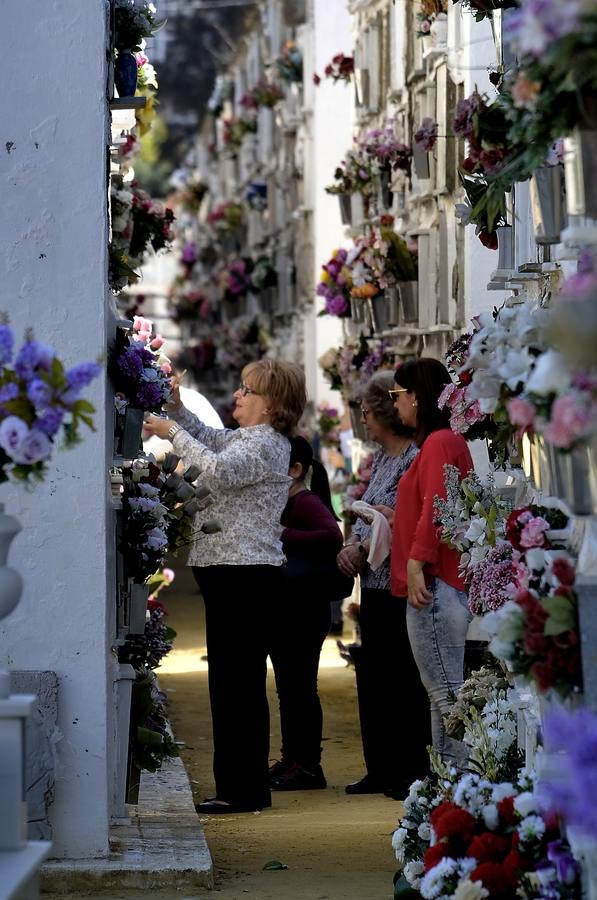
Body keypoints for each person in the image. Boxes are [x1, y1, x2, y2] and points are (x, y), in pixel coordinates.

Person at [144, 359, 306, 814]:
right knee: (232, 683)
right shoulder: (251, 438)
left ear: (271, 405)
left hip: (245, 573)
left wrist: (169, 431)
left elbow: (216, 470)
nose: (237, 396)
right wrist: (176, 410)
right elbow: (213, 442)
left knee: (237, 685)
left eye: (247, 391)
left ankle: (243, 789)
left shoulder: (268, 444)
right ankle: (238, 785)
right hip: (233, 570)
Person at [336, 371, 431, 798]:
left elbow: (403, 518)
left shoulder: (413, 458)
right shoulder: (381, 459)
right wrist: (354, 544)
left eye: (369, 412)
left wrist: (370, 531)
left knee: (401, 677)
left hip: (397, 582)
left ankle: (405, 767)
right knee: (373, 675)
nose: (364, 420)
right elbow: (368, 513)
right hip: (372, 583)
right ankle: (379, 765)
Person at [389, 358, 474, 764]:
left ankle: (463, 782)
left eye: (398, 395)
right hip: (441, 583)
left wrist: (416, 560)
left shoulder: (439, 442)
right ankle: (450, 786)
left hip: (435, 583)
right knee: (442, 691)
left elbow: (437, 506)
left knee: (446, 691)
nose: (396, 405)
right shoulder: (444, 442)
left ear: (418, 398)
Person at [269, 435, 347, 791]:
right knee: (289, 688)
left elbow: (332, 534)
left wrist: (283, 533)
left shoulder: (304, 501)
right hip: (290, 608)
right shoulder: (290, 501)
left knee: (300, 688)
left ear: (295, 470)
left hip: (304, 608)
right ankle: (292, 759)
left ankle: (308, 765)